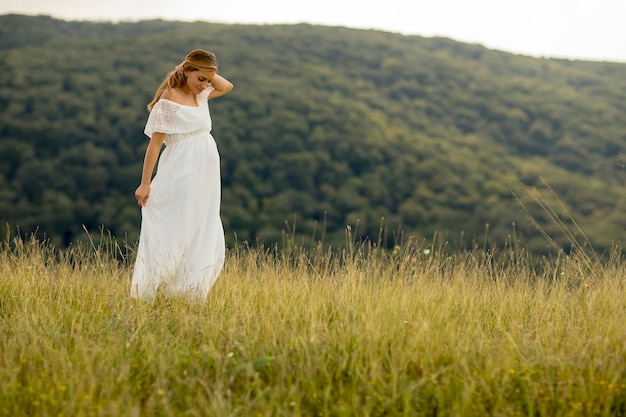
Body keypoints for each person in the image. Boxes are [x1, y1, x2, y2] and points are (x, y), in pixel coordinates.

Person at [130, 49, 234, 302]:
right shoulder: (168, 101)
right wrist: (145, 184)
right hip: (181, 168)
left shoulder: (202, 95)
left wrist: (202, 73)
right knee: (178, 223)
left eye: (208, 80)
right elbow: (154, 145)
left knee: (201, 222)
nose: (206, 85)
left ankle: (188, 288)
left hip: (205, 172)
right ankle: (159, 285)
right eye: (200, 79)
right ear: (186, 72)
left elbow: (227, 86)